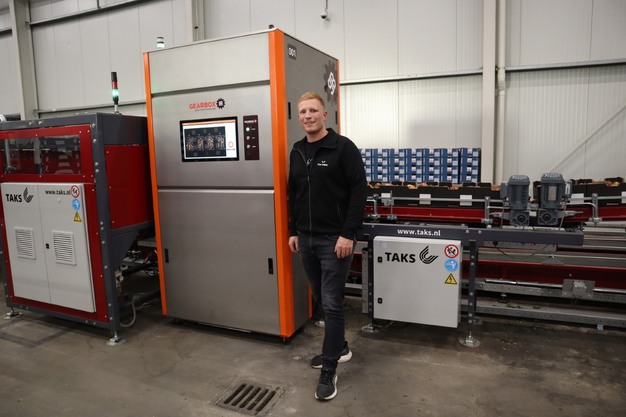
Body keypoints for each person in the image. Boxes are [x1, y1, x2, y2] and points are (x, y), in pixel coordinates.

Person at [287, 91, 367, 401]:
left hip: (335, 240)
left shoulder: (343, 148)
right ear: (299, 117)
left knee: (331, 304)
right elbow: (294, 194)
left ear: (324, 115)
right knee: (320, 298)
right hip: (306, 239)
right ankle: (340, 348)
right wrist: (294, 230)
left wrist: (348, 234)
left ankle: (329, 368)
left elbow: (359, 191)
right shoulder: (297, 151)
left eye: (313, 110)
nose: (307, 116)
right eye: (302, 112)